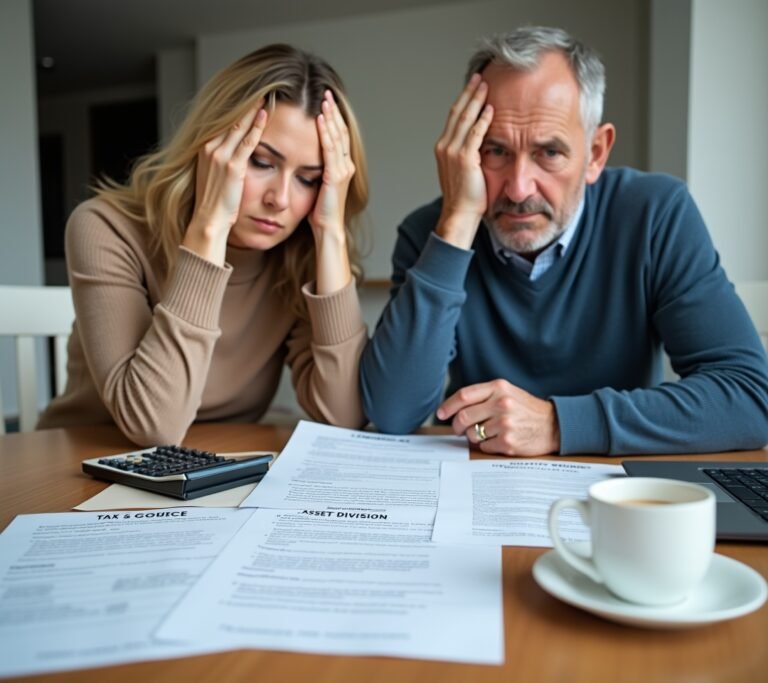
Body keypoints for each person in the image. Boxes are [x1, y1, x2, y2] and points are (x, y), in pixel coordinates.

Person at [360, 26, 768, 456]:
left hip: (622, 500)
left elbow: (748, 397)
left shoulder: (655, 214)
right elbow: (393, 413)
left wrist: (557, 424)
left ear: (595, 153)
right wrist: (457, 223)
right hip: (480, 492)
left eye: (548, 153)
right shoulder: (433, 233)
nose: (518, 189)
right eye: (495, 151)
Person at [38, 44, 370, 445]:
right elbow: (152, 425)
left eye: (309, 178)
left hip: (216, 466)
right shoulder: (106, 227)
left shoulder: (298, 256)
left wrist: (330, 233)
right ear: (213, 148)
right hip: (81, 463)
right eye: (261, 162)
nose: (280, 199)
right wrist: (209, 227)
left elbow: (345, 417)